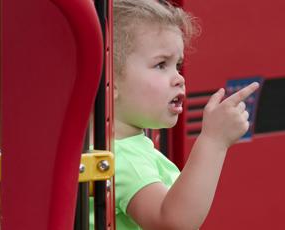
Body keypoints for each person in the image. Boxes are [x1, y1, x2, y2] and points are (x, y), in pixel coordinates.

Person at [101, 0, 259, 229]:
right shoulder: (123, 157)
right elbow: (174, 222)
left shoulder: (127, 148)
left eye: (178, 64)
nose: (179, 77)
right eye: (161, 65)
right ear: (111, 81)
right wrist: (213, 141)